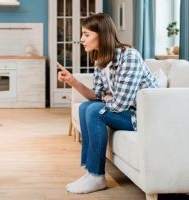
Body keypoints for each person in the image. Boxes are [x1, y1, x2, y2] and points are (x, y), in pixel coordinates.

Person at [57, 13, 159, 194]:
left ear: (102, 34)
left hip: (143, 117)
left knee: (94, 111)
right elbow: (97, 97)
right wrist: (73, 81)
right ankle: (90, 172)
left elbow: (120, 104)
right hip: (128, 111)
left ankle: (97, 176)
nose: (81, 39)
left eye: (86, 34)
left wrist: (108, 98)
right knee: (85, 107)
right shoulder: (100, 61)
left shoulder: (129, 57)